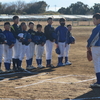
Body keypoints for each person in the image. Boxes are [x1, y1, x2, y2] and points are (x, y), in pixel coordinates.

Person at [87, 13, 100, 88]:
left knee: (97, 64)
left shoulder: (96, 29)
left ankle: (99, 81)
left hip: (97, 47)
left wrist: (88, 46)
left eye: (94, 20)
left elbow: (92, 39)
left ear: (99, 20)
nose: (93, 21)